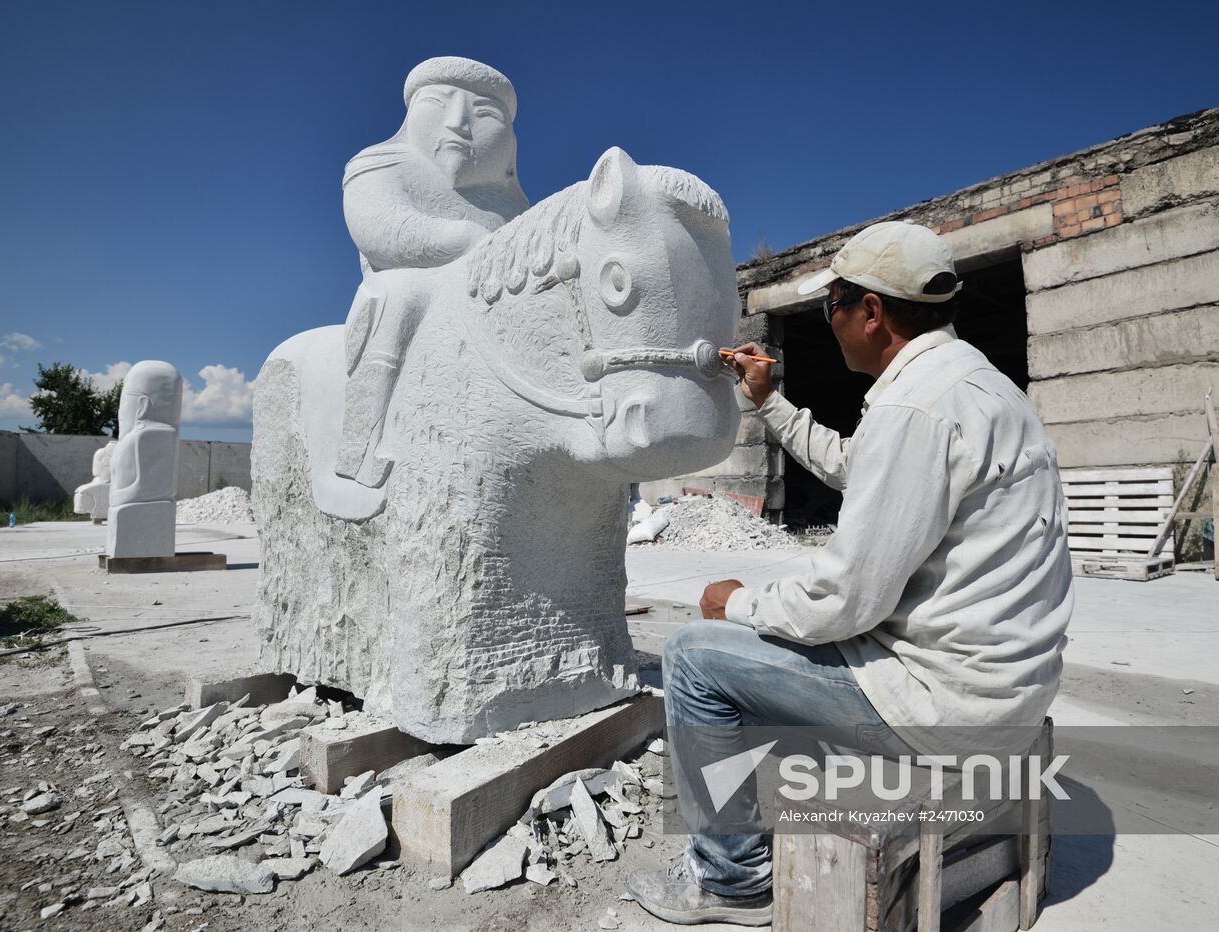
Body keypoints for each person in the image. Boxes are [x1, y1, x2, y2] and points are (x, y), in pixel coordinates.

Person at [625, 221, 1074, 926]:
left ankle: (730, 883)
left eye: (832, 304)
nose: (827, 321)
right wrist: (767, 400)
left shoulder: (914, 408)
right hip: (1007, 689)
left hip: (947, 704)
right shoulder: (978, 387)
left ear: (871, 313)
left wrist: (739, 601)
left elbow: (845, 599)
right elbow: (857, 467)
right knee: (771, 646)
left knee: (691, 658)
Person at [335, 56, 529, 487]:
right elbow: (379, 229)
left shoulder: (512, 205)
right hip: (409, 288)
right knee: (401, 290)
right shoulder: (379, 165)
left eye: (484, 114)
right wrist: (467, 239)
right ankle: (362, 439)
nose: (459, 123)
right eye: (440, 104)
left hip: (490, 300)